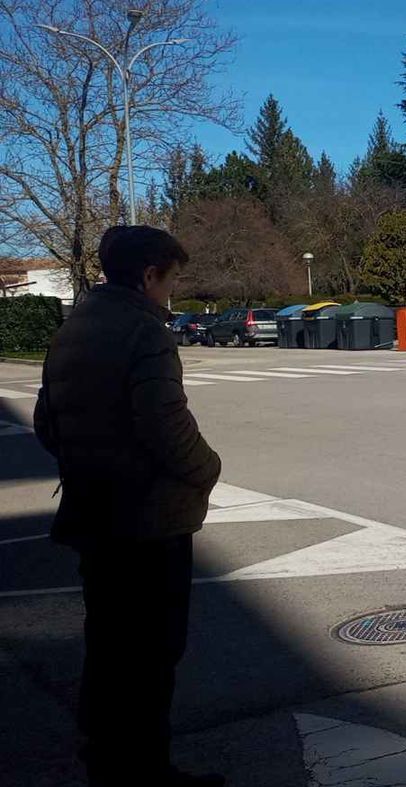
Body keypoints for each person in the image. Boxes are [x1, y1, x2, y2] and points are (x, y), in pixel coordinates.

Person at [34, 226, 224, 787]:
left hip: (92, 512)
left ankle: (106, 758)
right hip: (148, 521)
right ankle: (145, 770)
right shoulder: (144, 331)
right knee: (151, 652)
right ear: (148, 275)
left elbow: (46, 420)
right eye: (172, 279)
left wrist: (89, 460)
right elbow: (166, 423)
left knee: (108, 644)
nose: (172, 291)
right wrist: (208, 469)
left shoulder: (73, 328)